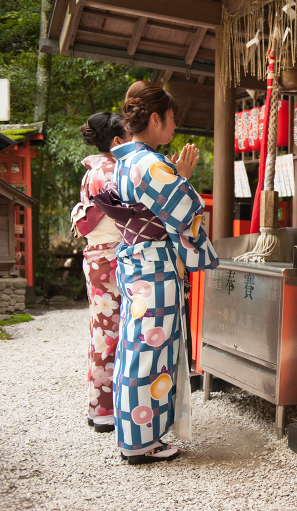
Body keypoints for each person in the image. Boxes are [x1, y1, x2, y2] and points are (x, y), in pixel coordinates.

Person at [104, 81, 218, 464]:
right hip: (154, 269)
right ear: (155, 119)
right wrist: (182, 178)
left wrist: (176, 174)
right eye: (170, 120)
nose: (173, 127)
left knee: (135, 348)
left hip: (137, 263)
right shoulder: (149, 163)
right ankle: (141, 442)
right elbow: (186, 211)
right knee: (151, 351)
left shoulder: (125, 161)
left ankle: (132, 433)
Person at [71, 112, 131, 433]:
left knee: (101, 332)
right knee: (112, 335)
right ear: (118, 141)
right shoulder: (112, 169)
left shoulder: (92, 170)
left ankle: (98, 407)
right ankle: (106, 410)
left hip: (96, 255)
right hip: (111, 255)